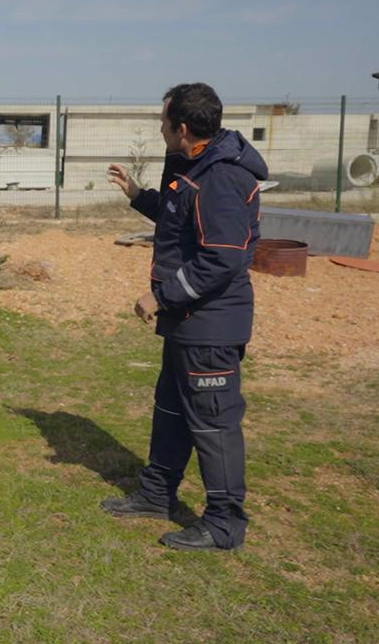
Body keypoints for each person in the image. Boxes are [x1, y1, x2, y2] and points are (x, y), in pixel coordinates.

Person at [100, 83, 267, 552]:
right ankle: (156, 494)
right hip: (187, 324)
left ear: (185, 128)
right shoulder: (193, 165)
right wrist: (138, 195)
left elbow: (222, 258)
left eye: (164, 120)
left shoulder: (223, 180)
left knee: (213, 422)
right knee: (172, 409)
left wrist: (163, 297)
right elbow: (177, 218)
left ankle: (223, 524)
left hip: (212, 325)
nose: (159, 127)